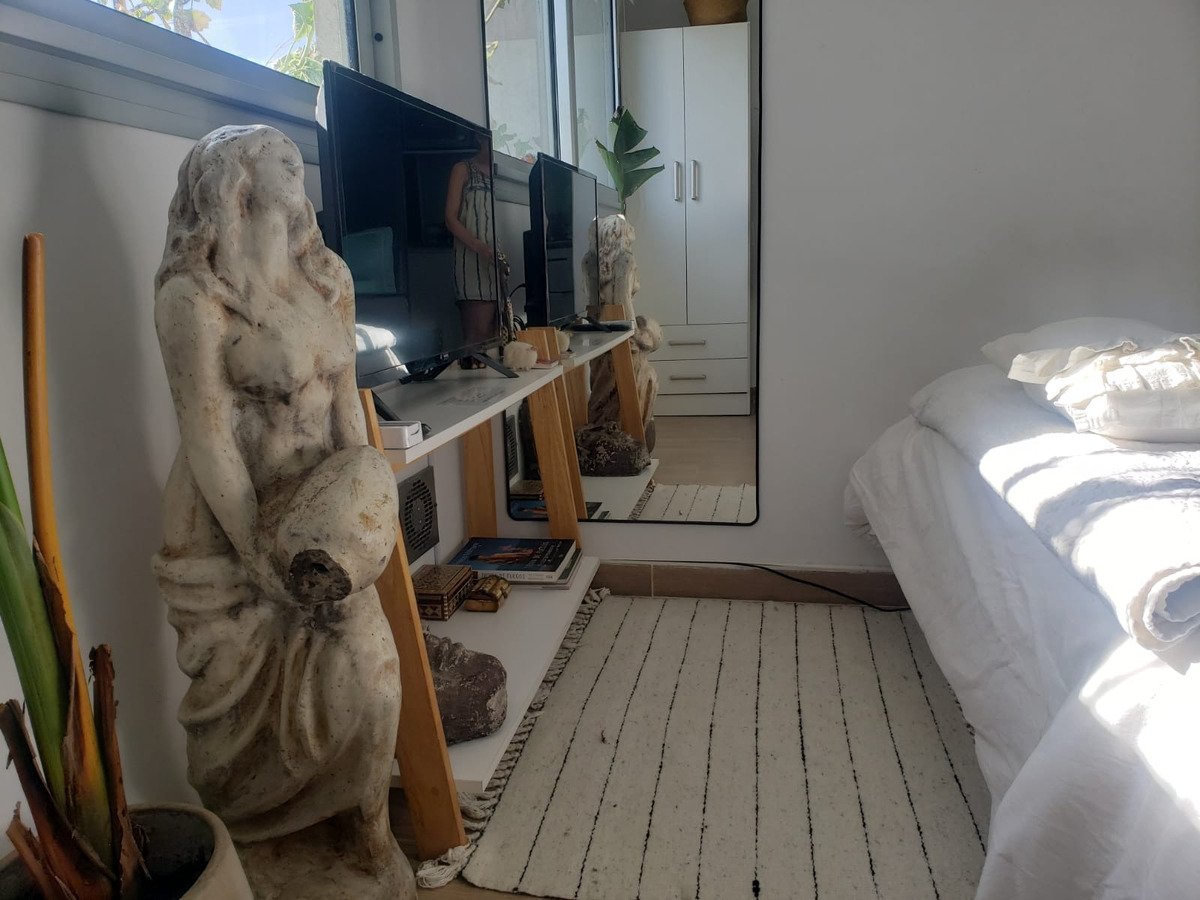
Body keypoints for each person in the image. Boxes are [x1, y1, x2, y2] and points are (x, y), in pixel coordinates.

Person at [152, 125, 413, 900]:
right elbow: (208, 440)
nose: (293, 159)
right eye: (273, 155)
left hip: (321, 526)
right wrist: (259, 557)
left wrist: (366, 502)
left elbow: (347, 411)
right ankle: (263, 850)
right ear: (229, 183)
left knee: (374, 673)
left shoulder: (326, 279)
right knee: (235, 728)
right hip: (229, 535)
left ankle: (368, 833)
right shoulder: (195, 300)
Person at [444, 133, 500, 363]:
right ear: (480, 138)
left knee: (497, 338)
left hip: (498, 265)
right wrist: (480, 247)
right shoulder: (463, 170)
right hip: (472, 263)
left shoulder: (501, 174)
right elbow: (450, 219)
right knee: (476, 338)